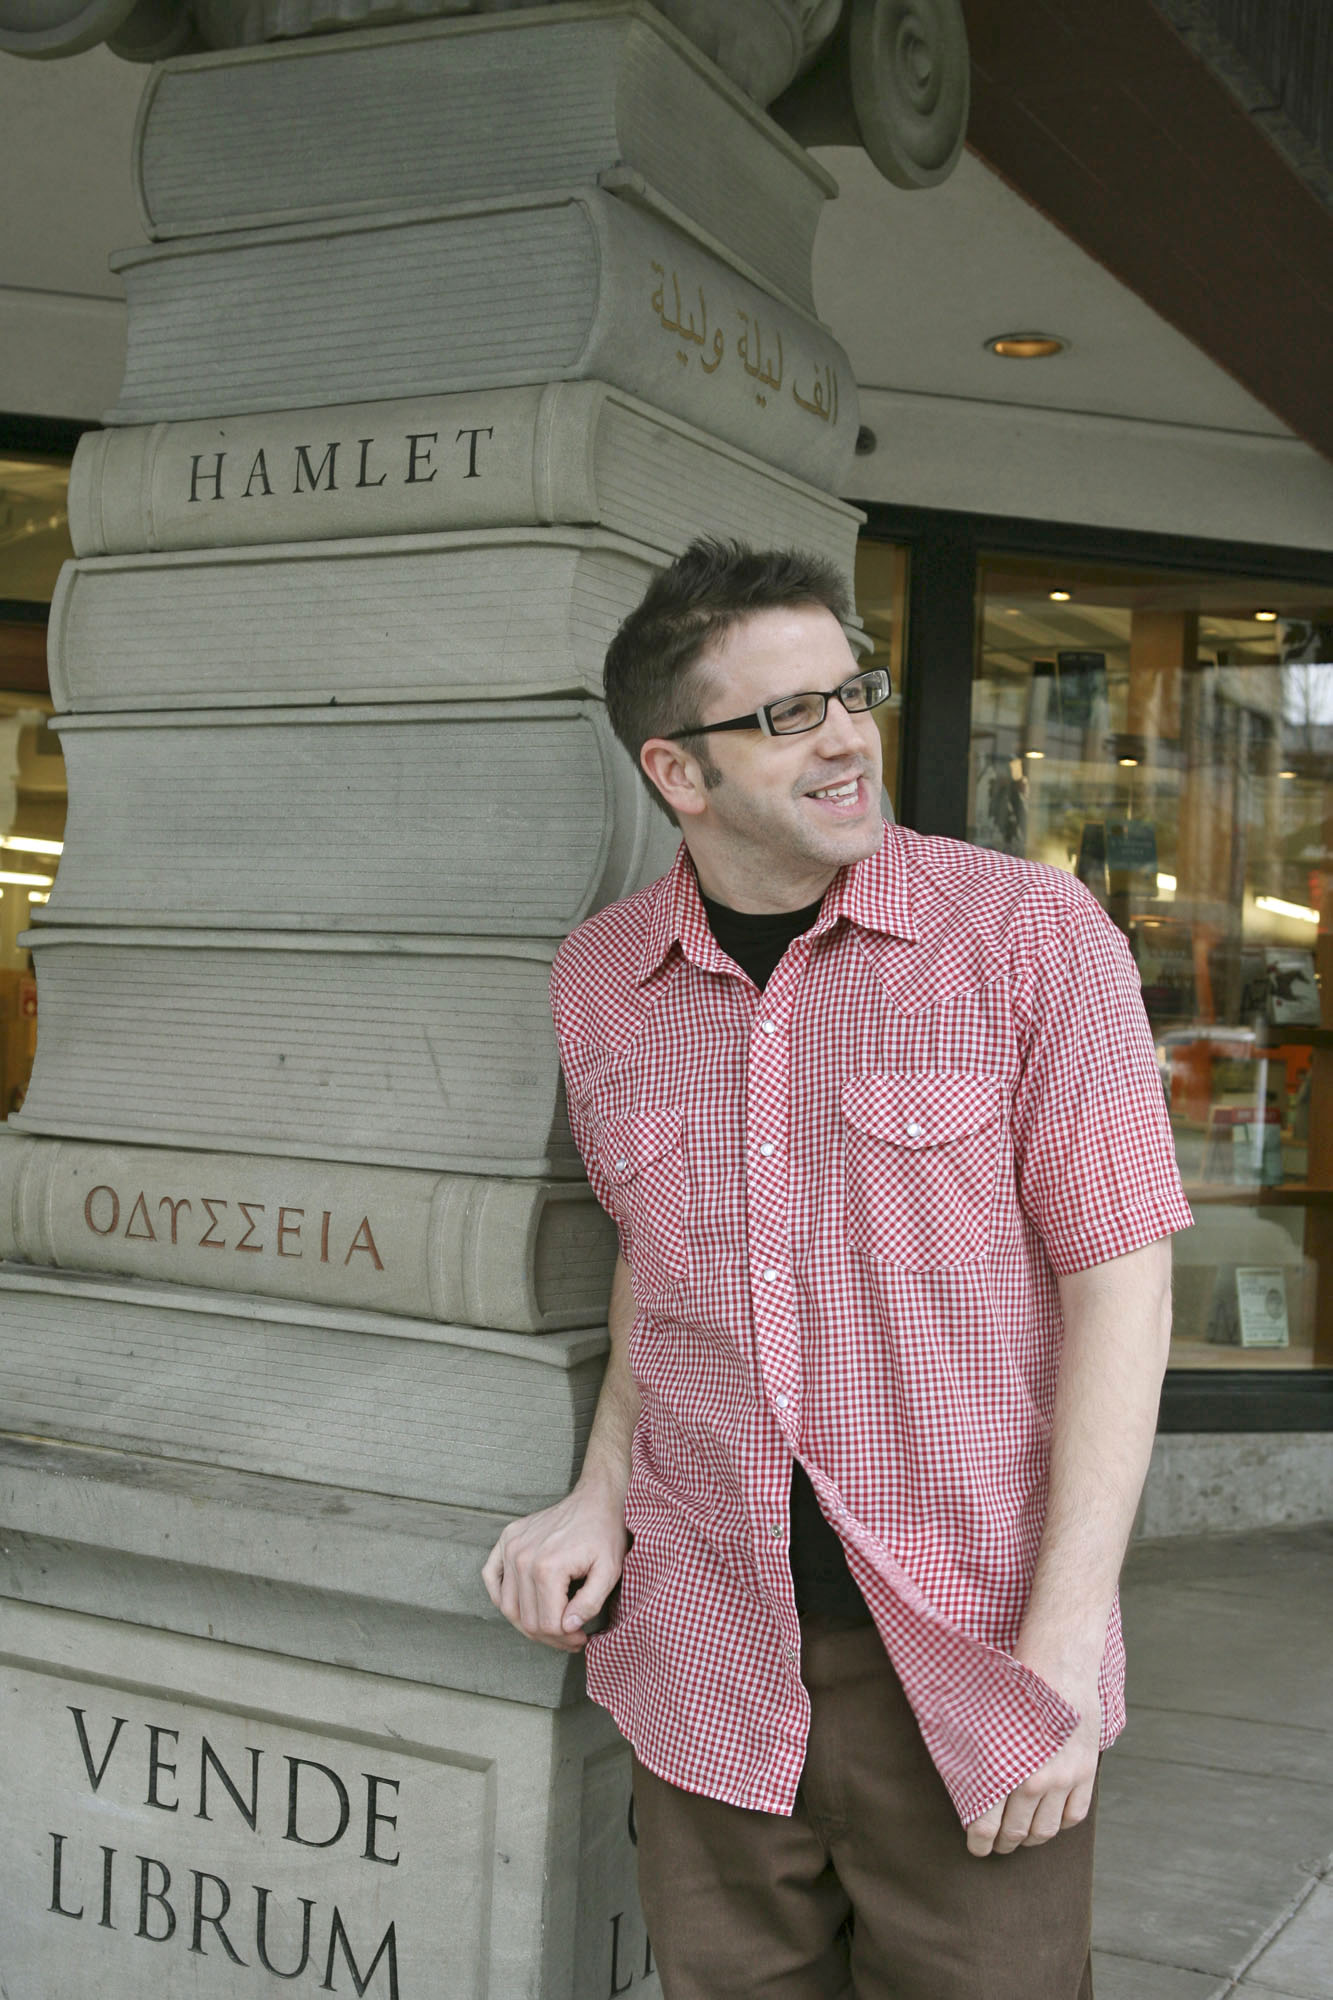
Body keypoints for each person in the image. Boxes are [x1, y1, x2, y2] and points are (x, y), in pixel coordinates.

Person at [483, 540, 1192, 1999]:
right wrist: (600, 1491)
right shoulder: (601, 980)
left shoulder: (1029, 939)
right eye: (788, 715)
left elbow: (1121, 1288)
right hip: (706, 1643)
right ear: (677, 772)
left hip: (966, 1649)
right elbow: (661, 1267)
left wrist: (1064, 1646)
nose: (849, 738)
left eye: (852, 693)